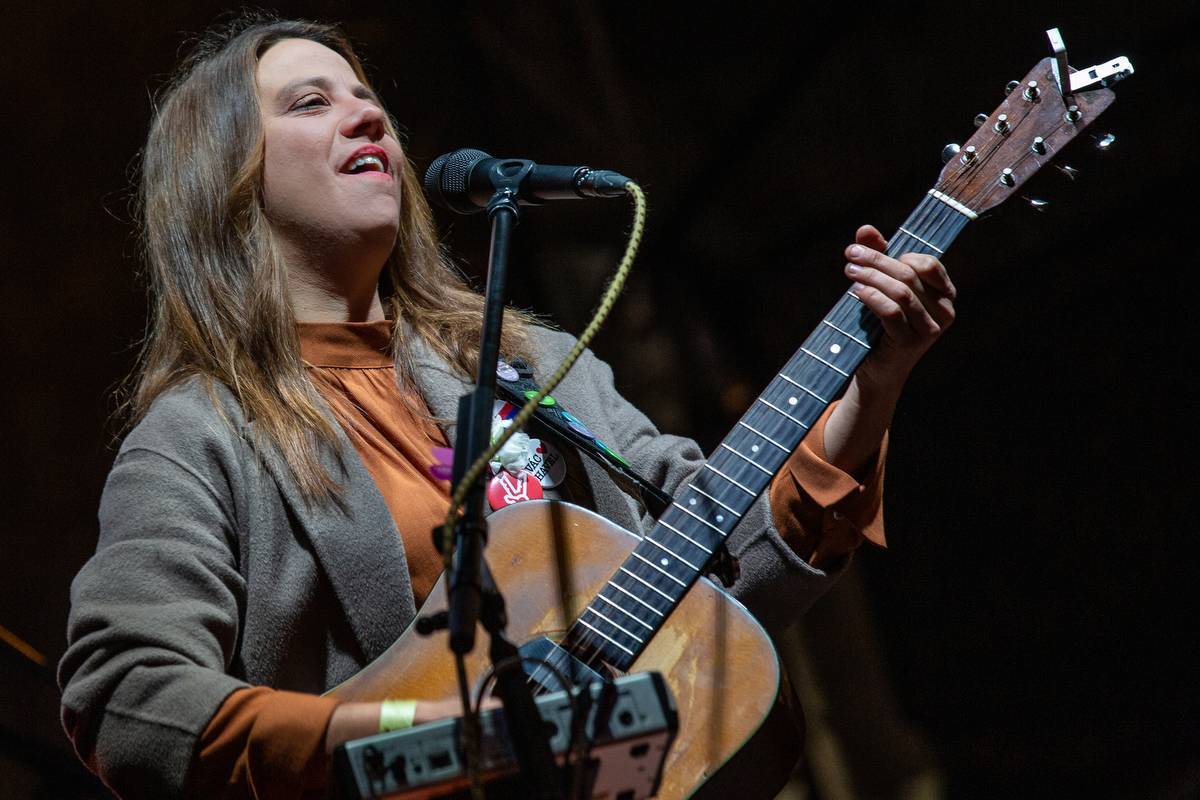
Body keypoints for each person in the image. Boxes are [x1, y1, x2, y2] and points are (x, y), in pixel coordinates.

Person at [58, 15, 957, 800]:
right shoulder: (198, 436)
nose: (368, 114)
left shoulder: (538, 365)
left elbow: (716, 581)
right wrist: (427, 740)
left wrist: (871, 393)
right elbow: (128, 696)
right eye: (310, 103)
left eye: (367, 96)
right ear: (226, 180)